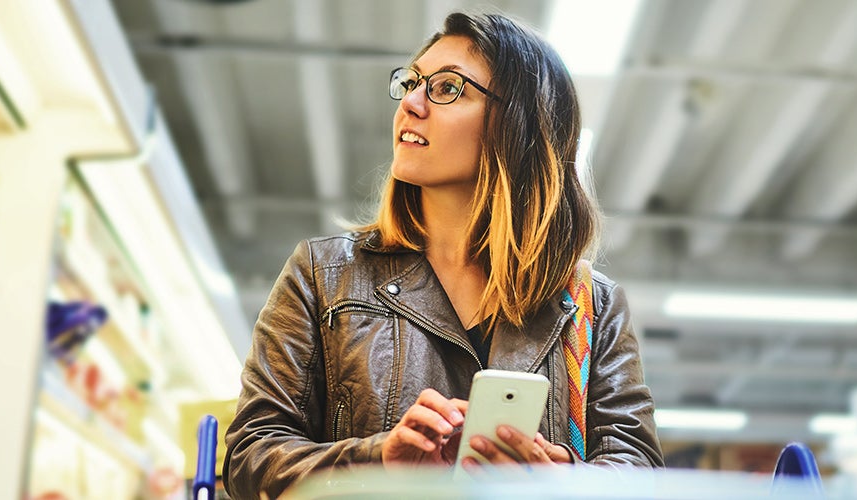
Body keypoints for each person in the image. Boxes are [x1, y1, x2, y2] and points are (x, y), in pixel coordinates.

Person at [223, 11, 662, 499]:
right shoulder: (324, 276)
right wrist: (376, 461)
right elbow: (250, 455)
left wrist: (566, 483)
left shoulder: (591, 306)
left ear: (518, 126)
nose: (411, 102)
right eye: (411, 82)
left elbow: (638, 469)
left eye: (447, 88)